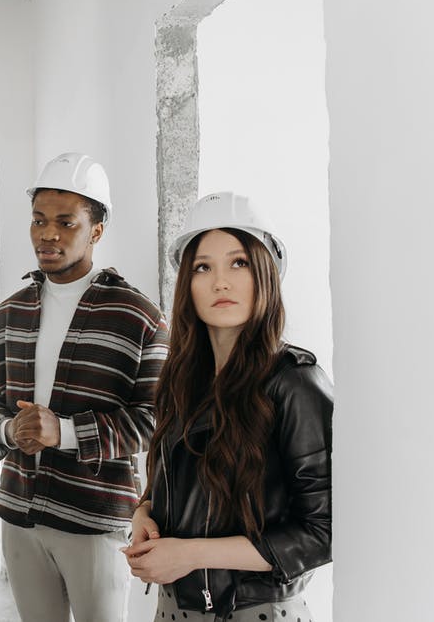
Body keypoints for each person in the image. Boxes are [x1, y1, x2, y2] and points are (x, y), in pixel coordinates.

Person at [0, 152, 170, 622]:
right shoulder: (9, 313)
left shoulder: (138, 316)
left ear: (96, 230)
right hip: (19, 515)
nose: (48, 234)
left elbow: (156, 419)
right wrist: (6, 430)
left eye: (66, 222)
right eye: (39, 220)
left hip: (95, 521)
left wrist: (62, 431)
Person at [121, 192, 333, 621]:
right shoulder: (180, 380)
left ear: (266, 275)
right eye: (203, 267)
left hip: (258, 612)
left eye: (239, 263)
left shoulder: (294, 382)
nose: (221, 281)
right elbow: (175, 479)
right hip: (174, 610)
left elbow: (323, 532)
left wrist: (191, 555)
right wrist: (145, 512)